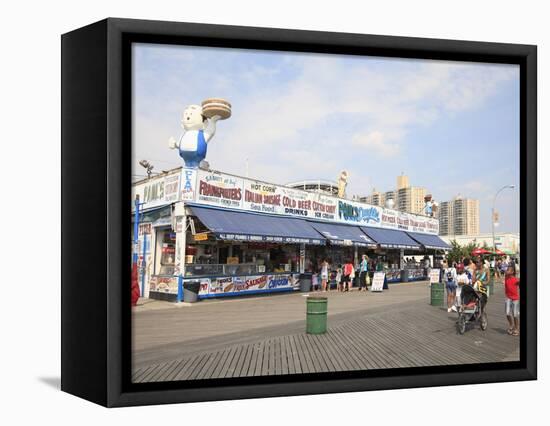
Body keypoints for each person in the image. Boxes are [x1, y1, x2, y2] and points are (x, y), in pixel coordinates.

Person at [504, 265, 520, 336]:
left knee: (515, 314)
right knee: (507, 313)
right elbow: (505, 273)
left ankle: (516, 328)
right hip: (508, 297)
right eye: (507, 269)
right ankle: (511, 325)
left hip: (515, 299)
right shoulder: (506, 277)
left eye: (509, 270)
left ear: (512, 272)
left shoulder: (516, 279)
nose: (507, 271)